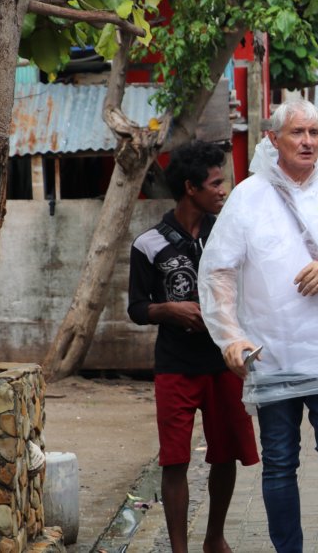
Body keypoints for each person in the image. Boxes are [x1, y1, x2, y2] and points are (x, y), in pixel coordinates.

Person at [198, 100, 318, 553]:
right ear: (273, 139)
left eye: (314, 133)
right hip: (272, 355)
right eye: (297, 133)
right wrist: (230, 337)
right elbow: (219, 271)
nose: (308, 142)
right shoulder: (248, 196)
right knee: (280, 461)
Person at [127, 141, 260, 553]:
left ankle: (214, 537)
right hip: (175, 366)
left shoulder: (230, 236)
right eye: (216, 183)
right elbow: (136, 308)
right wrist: (169, 310)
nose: (223, 190)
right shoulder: (148, 244)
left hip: (225, 362)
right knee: (174, 460)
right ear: (190, 187)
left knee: (225, 454)